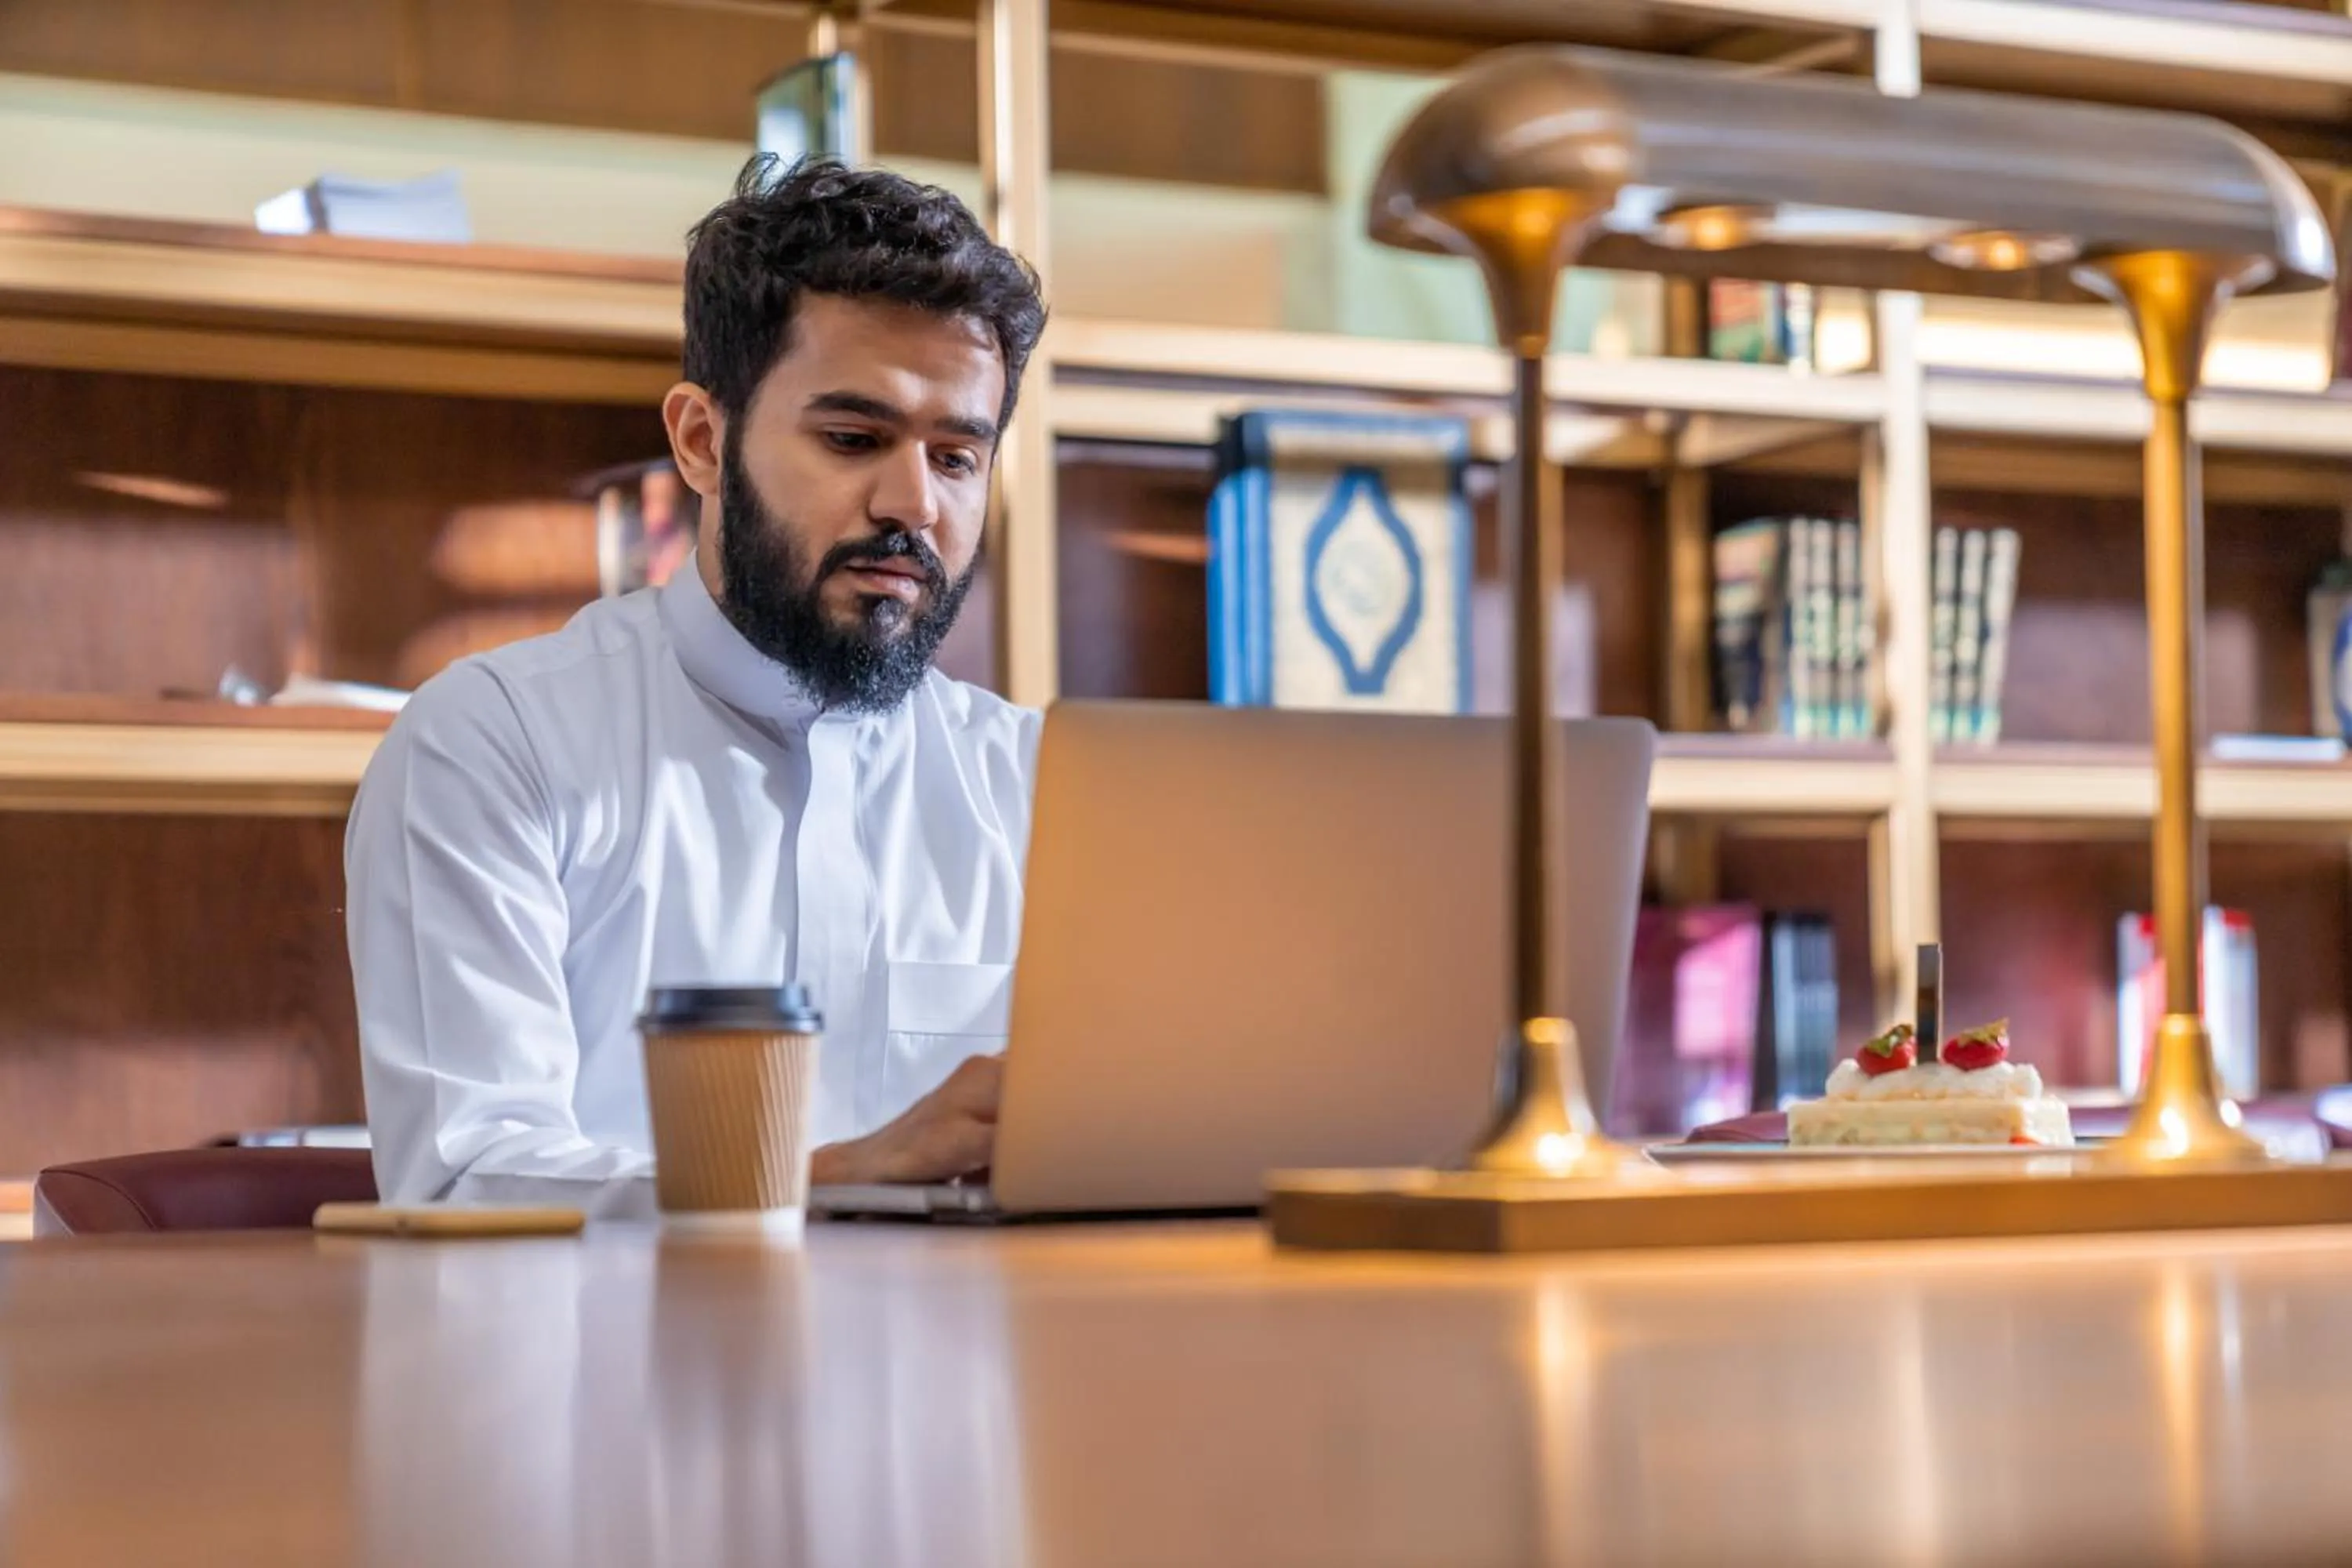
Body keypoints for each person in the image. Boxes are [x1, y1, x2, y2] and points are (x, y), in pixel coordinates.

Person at [346, 157, 1048, 1216]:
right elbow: (462, 1180)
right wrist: (827, 1182)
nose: (912, 502)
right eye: (854, 439)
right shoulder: (493, 744)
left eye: (958, 458)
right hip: (601, 1378)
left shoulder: (1040, 787)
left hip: (979, 1370)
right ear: (701, 441)